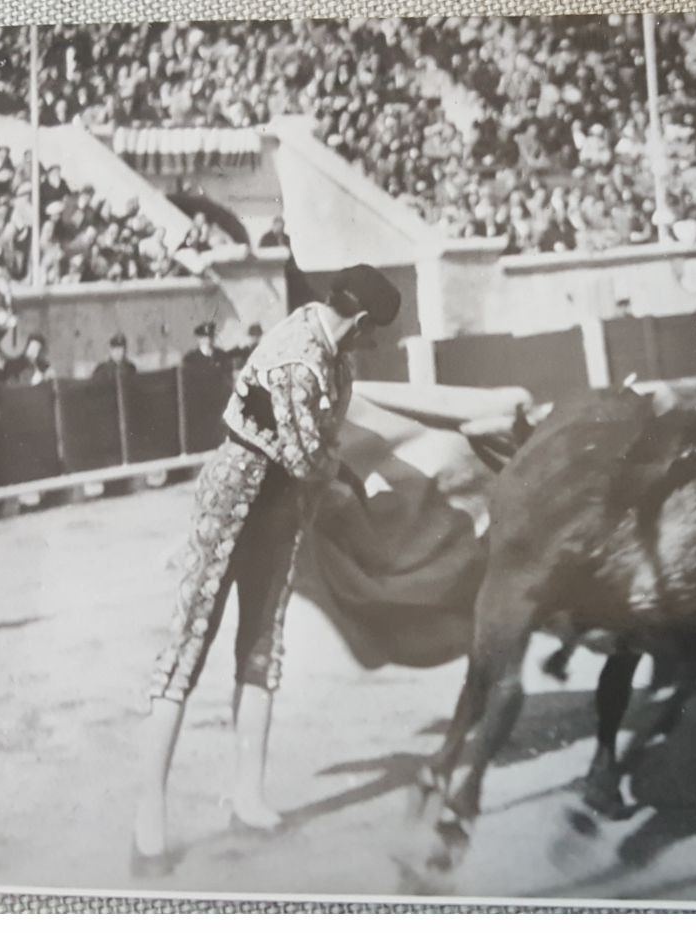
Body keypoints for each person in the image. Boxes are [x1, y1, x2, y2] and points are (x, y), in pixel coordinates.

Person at [131, 264, 401, 876]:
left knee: (262, 643)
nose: (370, 343)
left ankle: (247, 796)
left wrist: (339, 472)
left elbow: (318, 451)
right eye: (371, 331)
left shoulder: (327, 348)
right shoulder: (302, 361)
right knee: (188, 645)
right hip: (235, 499)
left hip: (282, 508)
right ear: (359, 321)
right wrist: (356, 478)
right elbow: (310, 454)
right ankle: (149, 817)